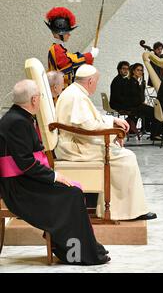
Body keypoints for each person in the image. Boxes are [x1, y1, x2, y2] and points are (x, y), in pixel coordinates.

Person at [0, 80, 110, 265]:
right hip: (18, 188)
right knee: (72, 194)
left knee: (71, 192)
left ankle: (80, 248)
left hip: (24, 180)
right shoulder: (17, 122)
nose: (41, 100)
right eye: (41, 97)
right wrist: (55, 176)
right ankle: (74, 252)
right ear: (34, 99)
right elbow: (26, 163)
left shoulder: (18, 116)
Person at [55, 64, 157, 220]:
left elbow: (91, 120)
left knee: (124, 154)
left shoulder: (75, 92)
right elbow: (88, 127)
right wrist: (112, 132)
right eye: (96, 81)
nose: (96, 84)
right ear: (90, 81)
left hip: (78, 141)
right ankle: (122, 211)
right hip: (76, 146)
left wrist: (113, 121)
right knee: (125, 157)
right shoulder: (76, 96)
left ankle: (127, 209)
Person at [46, 7, 98, 88]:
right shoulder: (56, 49)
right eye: (67, 32)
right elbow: (69, 62)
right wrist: (90, 55)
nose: (69, 34)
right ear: (60, 34)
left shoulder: (58, 48)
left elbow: (70, 58)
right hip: (59, 91)